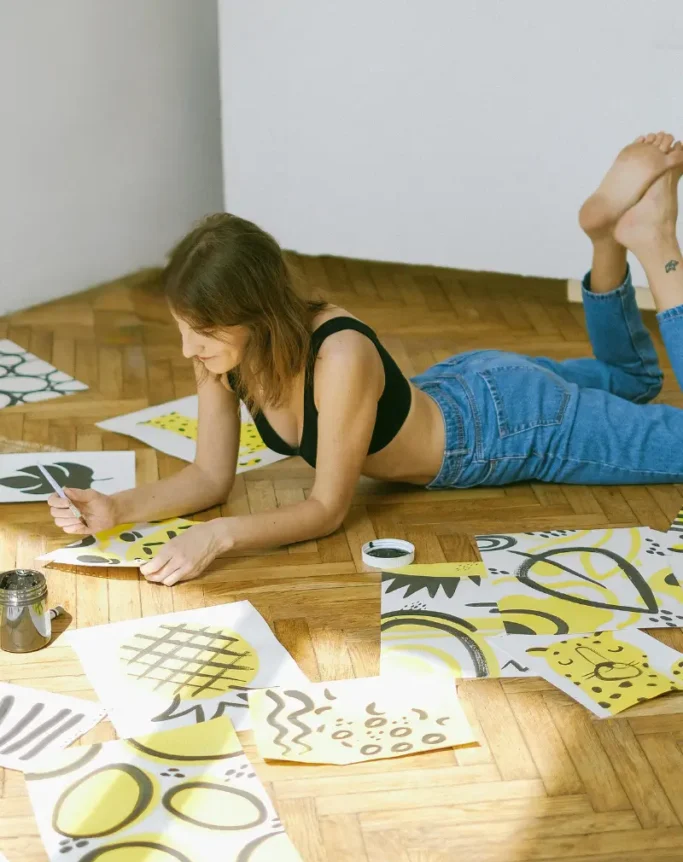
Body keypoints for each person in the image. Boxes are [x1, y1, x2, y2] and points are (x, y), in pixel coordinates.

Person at [49, 133, 683, 586]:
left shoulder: (340, 354)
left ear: (258, 313)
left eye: (205, 331)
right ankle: (605, 239)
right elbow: (211, 478)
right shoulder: (223, 354)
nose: (190, 350)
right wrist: (117, 508)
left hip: (509, 429)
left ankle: (656, 244)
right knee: (634, 380)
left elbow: (327, 510)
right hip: (472, 386)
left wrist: (221, 534)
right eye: (183, 329)